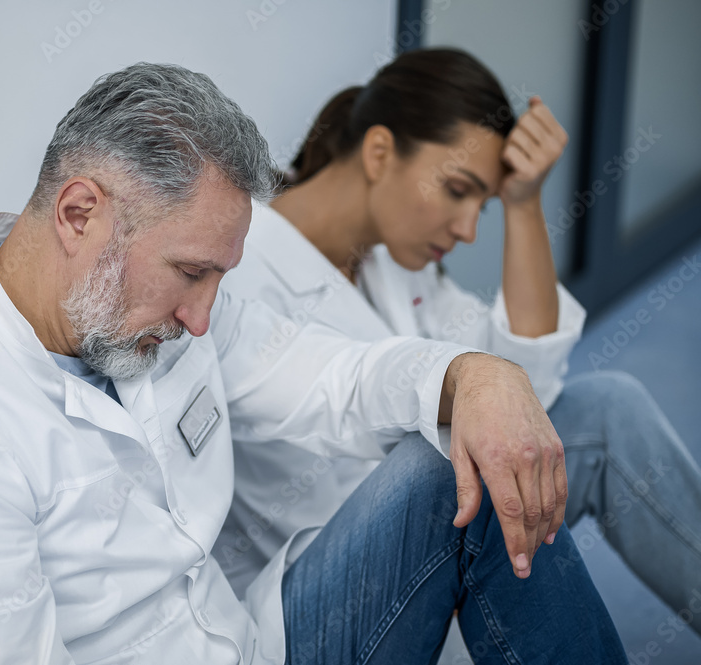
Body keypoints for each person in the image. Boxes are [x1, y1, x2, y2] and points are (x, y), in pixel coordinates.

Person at [0, 62, 625, 664]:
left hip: (254, 635)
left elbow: (331, 378)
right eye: (190, 273)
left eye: (218, 277)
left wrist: (471, 375)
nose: (203, 317)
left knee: (455, 457)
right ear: (78, 213)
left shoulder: (141, 313)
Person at [214, 47, 701, 637]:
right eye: (456, 189)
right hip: (327, 587)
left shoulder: (394, 260)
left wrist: (523, 205)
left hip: (443, 514)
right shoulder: (239, 270)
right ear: (379, 152)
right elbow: (345, 494)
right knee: (447, 464)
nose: (469, 229)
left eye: (483, 205)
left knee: (607, 407)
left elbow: (524, 391)